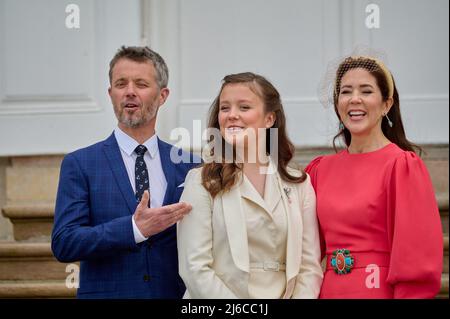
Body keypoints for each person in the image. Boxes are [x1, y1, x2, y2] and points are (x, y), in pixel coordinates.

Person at [52, 46, 199, 298]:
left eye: (141, 84)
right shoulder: (80, 163)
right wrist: (133, 228)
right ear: (110, 94)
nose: (130, 91)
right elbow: (65, 242)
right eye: (121, 84)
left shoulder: (190, 166)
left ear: (163, 95)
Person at [306, 56, 443, 298]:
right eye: (346, 91)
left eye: (366, 91)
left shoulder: (402, 166)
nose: (354, 99)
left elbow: (417, 259)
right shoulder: (319, 170)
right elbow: (305, 251)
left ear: (386, 104)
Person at [177, 72, 323, 299]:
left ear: (269, 119)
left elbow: (309, 267)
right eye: (225, 108)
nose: (232, 115)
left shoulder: (299, 184)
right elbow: (195, 268)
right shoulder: (201, 182)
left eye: (244, 107)